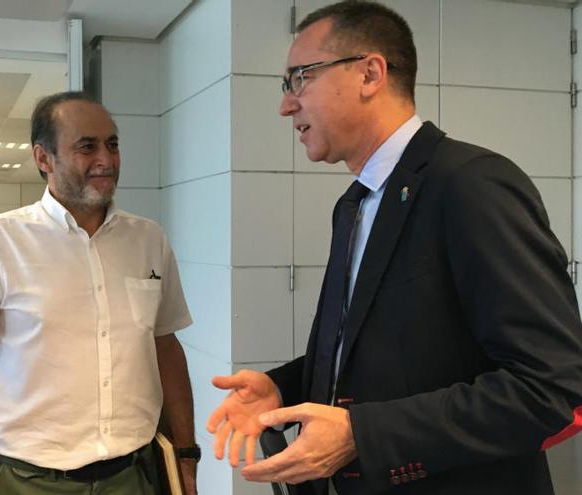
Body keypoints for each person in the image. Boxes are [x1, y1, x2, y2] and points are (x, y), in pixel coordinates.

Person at [206, 2, 582, 494]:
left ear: (369, 73)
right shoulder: (354, 205)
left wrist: (364, 435)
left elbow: (549, 384)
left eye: (301, 78)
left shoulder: (471, 185)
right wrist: (283, 386)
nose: (286, 104)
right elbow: (376, 353)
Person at [0, 91, 199, 495]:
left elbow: (166, 347)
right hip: (27, 480)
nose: (106, 160)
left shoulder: (148, 239)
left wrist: (186, 454)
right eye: (86, 146)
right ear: (44, 159)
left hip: (134, 474)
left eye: (112, 144)